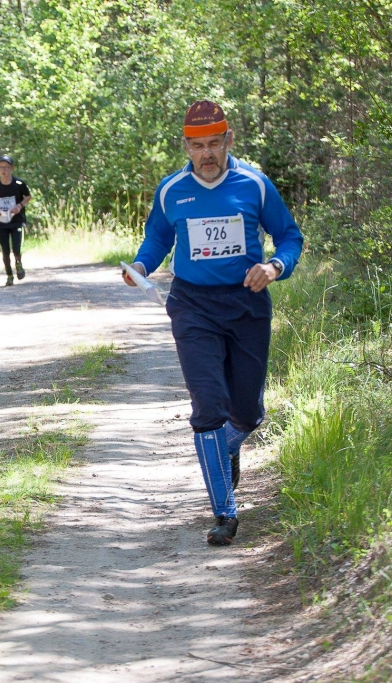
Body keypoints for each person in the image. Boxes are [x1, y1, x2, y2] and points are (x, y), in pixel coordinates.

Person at [123, 100, 303, 546]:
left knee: (246, 411)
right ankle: (225, 512)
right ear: (185, 146)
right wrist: (141, 267)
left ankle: (228, 448)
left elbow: (289, 236)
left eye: (215, 144)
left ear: (229, 140)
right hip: (193, 306)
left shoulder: (255, 185)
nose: (207, 154)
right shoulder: (172, 190)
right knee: (209, 405)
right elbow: (157, 239)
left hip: (247, 304)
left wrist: (276, 266)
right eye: (198, 146)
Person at [0, 155, 31, 286]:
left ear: (12, 169)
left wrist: (19, 206)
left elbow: (28, 196)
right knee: (5, 250)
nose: (4, 170)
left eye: (6, 167)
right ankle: (9, 275)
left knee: (16, 247)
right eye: (1, 167)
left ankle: (19, 264)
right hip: (1, 221)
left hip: (16, 220)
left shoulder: (19, 184)